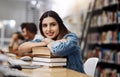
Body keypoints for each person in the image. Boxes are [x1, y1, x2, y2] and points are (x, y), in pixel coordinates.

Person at [18, 10, 85, 73]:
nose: (48, 29)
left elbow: (58, 50)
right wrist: (45, 42)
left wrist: (49, 42)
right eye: (45, 26)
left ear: (60, 25)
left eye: (53, 25)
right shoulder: (45, 39)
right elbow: (21, 48)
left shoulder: (72, 38)